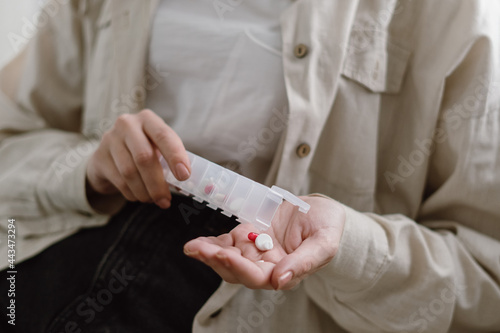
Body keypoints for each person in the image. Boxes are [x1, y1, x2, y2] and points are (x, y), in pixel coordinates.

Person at [1, 0, 500, 332]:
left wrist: (346, 243)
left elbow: (486, 278)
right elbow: (11, 145)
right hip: (55, 276)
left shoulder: (451, 17)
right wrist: (87, 168)